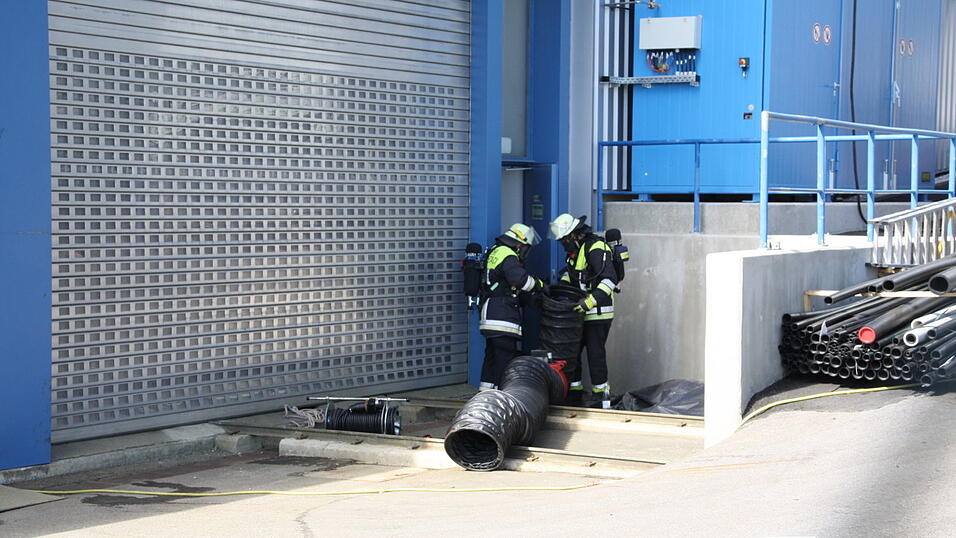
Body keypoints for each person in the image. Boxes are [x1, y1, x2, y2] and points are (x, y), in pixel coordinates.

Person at [549, 213, 618, 407]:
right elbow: (571, 278)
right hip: (580, 312)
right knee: (573, 353)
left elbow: (609, 279)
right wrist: (557, 292)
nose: (563, 243)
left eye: (564, 239)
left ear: (574, 235)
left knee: (595, 354)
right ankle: (574, 394)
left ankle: (601, 397)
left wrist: (590, 302)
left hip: (598, 312)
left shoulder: (596, 248)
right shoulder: (576, 252)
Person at [478, 223, 545, 390]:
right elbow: (520, 280)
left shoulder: (495, 251)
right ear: (519, 243)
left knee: (492, 357)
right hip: (502, 316)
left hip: (490, 312)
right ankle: (502, 397)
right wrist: (539, 285)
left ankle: (484, 395)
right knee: (505, 359)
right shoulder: (508, 255)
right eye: (525, 247)